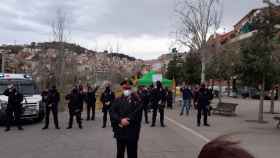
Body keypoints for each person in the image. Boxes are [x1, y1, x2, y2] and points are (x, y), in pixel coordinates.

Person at [109, 84, 143, 158]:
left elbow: (138, 113)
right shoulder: (117, 100)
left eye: (128, 89)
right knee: (120, 153)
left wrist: (128, 120)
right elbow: (112, 112)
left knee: (132, 153)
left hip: (132, 132)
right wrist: (120, 120)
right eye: (125, 89)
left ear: (131, 90)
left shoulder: (137, 100)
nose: (126, 91)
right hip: (120, 131)